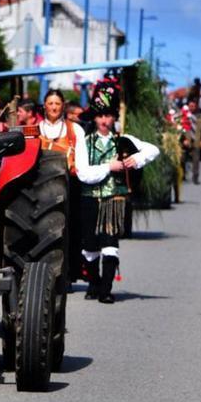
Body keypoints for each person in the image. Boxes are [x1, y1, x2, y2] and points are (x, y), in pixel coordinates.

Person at [76, 80, 159, 303]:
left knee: (110, 244)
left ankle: (106, 289)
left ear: (114, 118)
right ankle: (94, 283)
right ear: (94, 118)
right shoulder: (84, 142)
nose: (104, 120)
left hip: (114, 199)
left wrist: (136, 159)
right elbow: (83, 174)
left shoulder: (122, 140)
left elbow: (153, 149)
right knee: (90, 247)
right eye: (100, 116)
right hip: (90, 199)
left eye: (109, 116)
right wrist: (107, 167)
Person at [38, 89, 89, 282]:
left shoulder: (74, 130)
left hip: (69, 185)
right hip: (41, 187)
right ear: (44, 106)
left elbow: (82, 162)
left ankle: (68, 274)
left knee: (69, 230)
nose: (53, 107)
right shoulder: (35, 129)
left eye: (57, 104)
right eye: (50, 103)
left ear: (63, 106)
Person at [180, 99, 201, 184]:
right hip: (185, 140)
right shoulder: (183, 115)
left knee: (196, 160)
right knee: (182, 158)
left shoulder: (199, 116)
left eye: (193, 106)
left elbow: (199, 128)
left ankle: (195, 177)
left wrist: (189, 116)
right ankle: (182, 175)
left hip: (196, 140)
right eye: (190, 106)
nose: (191, 108)